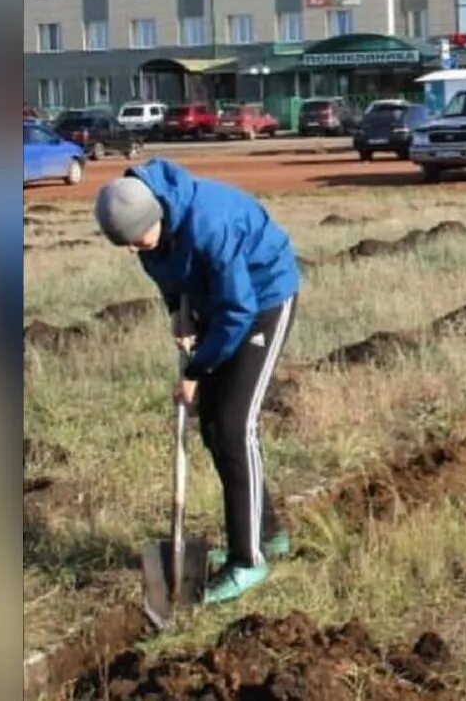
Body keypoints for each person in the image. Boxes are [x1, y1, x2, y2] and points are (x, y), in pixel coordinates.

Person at [93, 159, 300, 606]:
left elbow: (238, 309)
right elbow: (169, 275)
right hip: (218, 302)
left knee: (233, 426)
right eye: (125, 245)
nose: (133, 252)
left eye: (136, 241)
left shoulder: (209, 225)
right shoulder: (148, 233)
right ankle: (266, 532)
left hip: (262, 300)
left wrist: (197, 370)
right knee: (213, 429)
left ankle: (248, 561)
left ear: (158, 218)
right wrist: (177, 312)